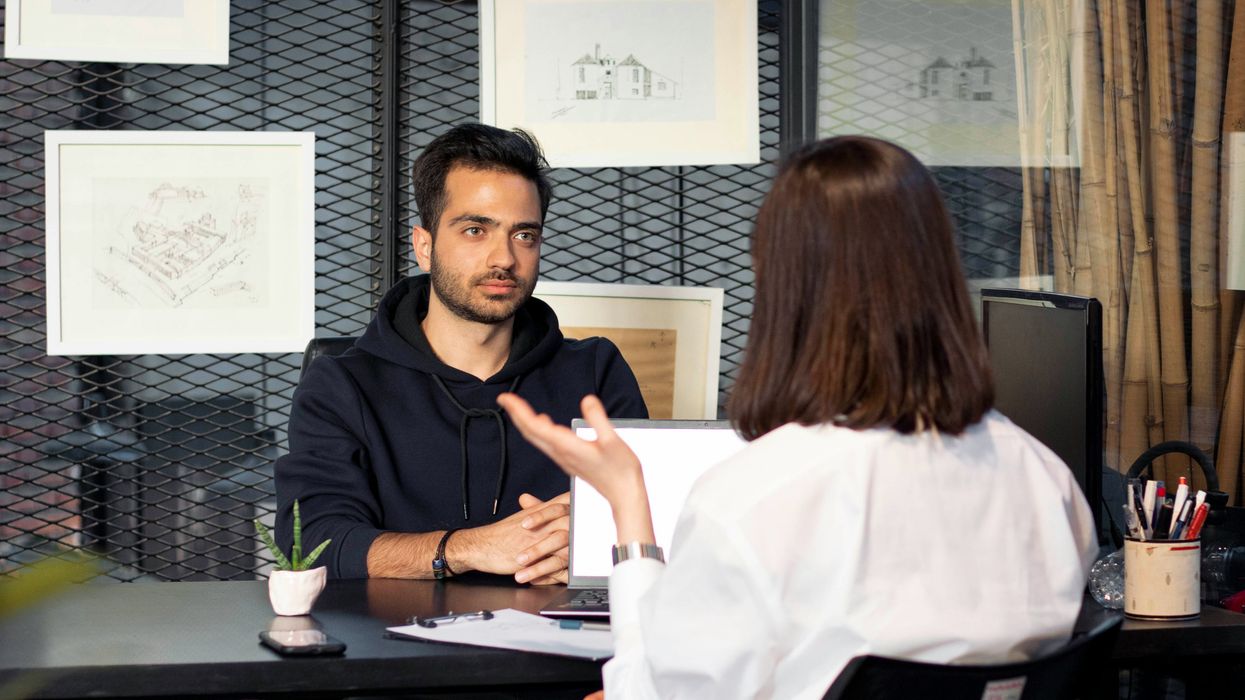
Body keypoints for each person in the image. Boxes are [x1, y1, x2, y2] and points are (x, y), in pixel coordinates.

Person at [498, 135, 1097, 698]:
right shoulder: (1043, 477)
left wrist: (628, 503)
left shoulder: (757, 498)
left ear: (784, 289)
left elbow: (657, 691)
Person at [275, 124, 647, 582]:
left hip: (562, 640)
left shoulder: (595, 372)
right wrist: (470, 549)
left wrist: (587, 543)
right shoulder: (342, 385)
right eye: (475, 230)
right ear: (424, 246)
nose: (504, 259)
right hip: (394, 643)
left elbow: (649, 521)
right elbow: (312, 543)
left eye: (524, 235)